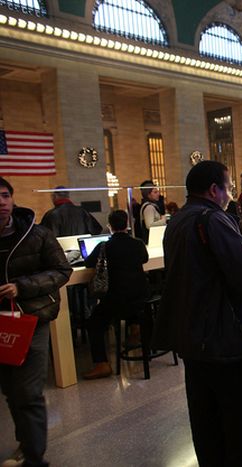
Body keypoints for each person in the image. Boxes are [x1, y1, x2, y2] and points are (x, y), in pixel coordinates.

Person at [152, 161, 242, 467]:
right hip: (222, 337)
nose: (232, 194)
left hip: (190, 337)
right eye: (229, 188)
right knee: (239, 420)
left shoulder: (177, 222)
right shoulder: (213, 219)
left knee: (205, 420)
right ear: (214, 189)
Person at [0, 177, 72, 467]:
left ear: (12, 199)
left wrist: (22, 286)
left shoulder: (37, 234)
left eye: (4, 195)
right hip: (2, 323)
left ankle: (34, 457)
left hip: (31, 319)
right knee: (10, 390)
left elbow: (61, 270)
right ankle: (26, 442)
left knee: (28, 391)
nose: (0, 202)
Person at [82, 210, 149, 379]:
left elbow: (88, 262)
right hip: (141, 297)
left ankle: (102, 364)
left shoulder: (105, 246)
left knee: (94, 323)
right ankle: (135, 331)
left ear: (109, 226)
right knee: (131, 301)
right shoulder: (138, 243)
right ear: (127, 223)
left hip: (117, 300)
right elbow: (144, 259)